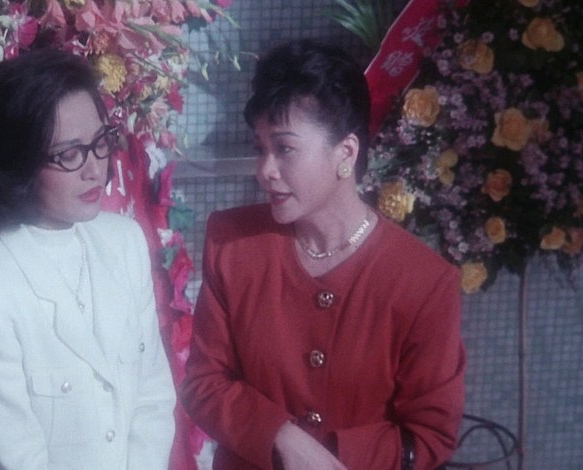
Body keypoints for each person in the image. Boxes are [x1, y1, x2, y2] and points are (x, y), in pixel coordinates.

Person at [180, 39, 465, 470]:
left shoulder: (424, 282)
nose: (265, 170)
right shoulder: (233, 243)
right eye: (260, 148)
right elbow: (204, 382)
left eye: (284, 148)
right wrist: (281, 437)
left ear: (345, 153)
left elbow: (429, 437)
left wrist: (329, 455)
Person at [0, 49, 176, 470]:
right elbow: (16, 459)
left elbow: (153, 398)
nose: (95, 169)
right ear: (17, 163)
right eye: (69, 154)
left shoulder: (125, 242)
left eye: (100, 143)